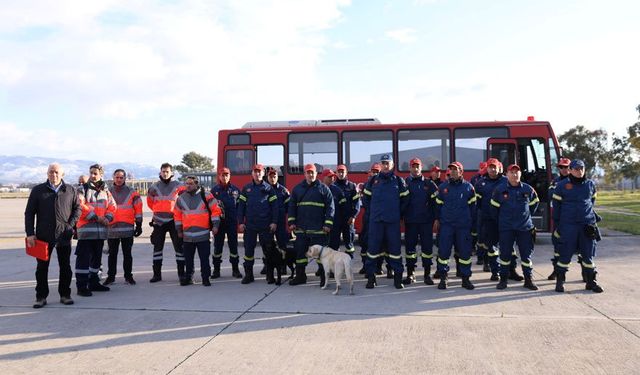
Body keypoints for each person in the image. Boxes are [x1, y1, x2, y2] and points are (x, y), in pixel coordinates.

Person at [25, 163, 81, 308]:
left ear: (62, 174)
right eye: (51, 172)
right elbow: (29, 213)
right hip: (43, 236)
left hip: (64, 235)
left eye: (56, 172)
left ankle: (65, 294)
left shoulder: (70, 190)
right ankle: (41, 297)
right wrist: (30, 233)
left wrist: (70, 226)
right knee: (42, 268)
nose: (53, 175)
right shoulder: (38, 190)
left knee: (65, 266)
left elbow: (77, 209)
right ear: (47, 173)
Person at [551, 159, 603, 293]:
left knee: (588, 255)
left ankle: (591, 282)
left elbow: (591, 202)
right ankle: (560, 282)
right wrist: (558, 226)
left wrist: (590, 220)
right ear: (570, 170)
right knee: (565, 255)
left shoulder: (590, 184)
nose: (579, 171)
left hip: (586, 225)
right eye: (576, 169)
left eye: (581, 169)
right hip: (569, 225)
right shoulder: (561, 185)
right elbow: (556, 207)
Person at [362, 154, 409, 289]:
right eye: (383, 163)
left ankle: (397, 278)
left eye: (388, 163)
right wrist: (373, 213)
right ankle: (371, 278)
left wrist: (397, 213)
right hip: (376, 222)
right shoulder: (373, 181)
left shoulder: (399, 181)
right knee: (373, 250)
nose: (385, 165)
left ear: (392, 165)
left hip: (392, 222)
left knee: (395, 250)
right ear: (380, 165)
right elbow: (366, 199)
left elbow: (405, 200)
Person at [490, 164, 540, 290]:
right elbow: (494, 210)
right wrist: (503, 221)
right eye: (511, 172)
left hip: (524, 228)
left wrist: (525, 217)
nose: (514, 174)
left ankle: (528, 280)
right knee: (505, 255)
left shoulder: (528, 189)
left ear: (520, 174)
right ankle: (503, 280)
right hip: (506, 228)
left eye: (517, 172)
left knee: (526, 256)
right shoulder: (499, 190)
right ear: (506, 174)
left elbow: (534, 205)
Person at [287, 163, 334, 286]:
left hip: (319, 230)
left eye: (312, 172)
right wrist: (291, 222)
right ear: (305, 174)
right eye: (308, 172)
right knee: (300, 254)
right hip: (302, 229)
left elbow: (330, 207)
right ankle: (300, 276)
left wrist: (328, 224)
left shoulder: (324, 188)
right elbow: (291, 206)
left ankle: (324, 279)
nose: (310, 174)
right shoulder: (297, 189)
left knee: (321, 255)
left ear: (316, 173)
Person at [433, 161, 476, 290]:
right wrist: (438, 220)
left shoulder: (469, 188)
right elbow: (438, 206)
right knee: (443, 253)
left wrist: (470, 224)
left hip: (463, 226)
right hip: (447, 226)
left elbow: (473, 208)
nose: (452, 171)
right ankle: (443, 278)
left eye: (455, 169)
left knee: (464, 254)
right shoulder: (443, 188)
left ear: (461, 172)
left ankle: (465, 278)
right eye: (450, 169)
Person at [75, 164, 117, 296]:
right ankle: (81, 286)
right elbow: (79, 206)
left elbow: (112, 206)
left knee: (96, 260)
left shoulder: (106, 191)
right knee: (83, 259)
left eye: (95, 173)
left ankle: (94, 282)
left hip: (100, 232)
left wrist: (108, 218)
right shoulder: (83, 189)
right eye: (91, 173)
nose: (93, 175)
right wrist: (97, 218)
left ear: (101, 175)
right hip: (86, 231)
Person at [174, 176, 222, 286]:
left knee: (204, 259)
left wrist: (215, 225)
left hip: (203, 235)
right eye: (186, 183)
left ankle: (205, 278)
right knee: (188, 260)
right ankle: (189, 277)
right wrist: (179, 230)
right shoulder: (181, 198)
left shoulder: (206, 196)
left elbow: (215, 211)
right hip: (187, 236)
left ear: (196, 184)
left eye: (190, 183)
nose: (188, 185)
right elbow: (177, 215)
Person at [237, 164, 278, 284]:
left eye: (259, 172)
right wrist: (240, 222)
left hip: (266, 226)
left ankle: (269, 275)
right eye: (255, 172)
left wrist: (274, 222)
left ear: (263, 173)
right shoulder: (246, 188)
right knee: (248, 251)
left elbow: (275, 207)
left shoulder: (269, 189)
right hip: (250, 226)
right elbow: (241, 207)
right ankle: (249, 275)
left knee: (268, 251)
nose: (257, 174)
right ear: (252, 174)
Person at [147, 163, 186, 283]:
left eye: (167, 171)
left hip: (174, 220)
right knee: (157, 249)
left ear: (171, 173)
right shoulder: (154, 187)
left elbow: (185, 199)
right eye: (163, 171)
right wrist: (158, 212)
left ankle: (181, 274)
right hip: (159, 221)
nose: (165, 173)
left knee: (179, 248)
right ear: (160, 172)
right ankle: (157, 275)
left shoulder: (179, 186)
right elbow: (150, 203)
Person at [403, 158, 438, 285]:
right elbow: (400, 202)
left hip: (426, 222)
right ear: (410, 168)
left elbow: (436, 203)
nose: (415, 169)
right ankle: (410, 274)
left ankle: (427, 275)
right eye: (413, 166)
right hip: (410, 222)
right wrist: (401, 217)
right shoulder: (405, 183)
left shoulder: (429, 184)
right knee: (410, 250)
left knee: (427, 250)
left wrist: (436, 219)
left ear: (421, 168)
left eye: (417, 166)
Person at [104, 169, 143, 286]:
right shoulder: (107, 192)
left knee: (127, 254)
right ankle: (111, 277)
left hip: (127, 229)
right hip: (112, 228)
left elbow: (138, 209)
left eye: (121, 177)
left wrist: (139, 224)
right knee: (112, 255)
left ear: (125, 178)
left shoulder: (132, 192)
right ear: (113, 178)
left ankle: (128, 276)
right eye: (117, 177)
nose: (119, 179)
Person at [474, 158, 507, 280]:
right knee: (491, 246)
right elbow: (477, 204)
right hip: (488, 219)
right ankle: (494, 271)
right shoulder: (480, 183)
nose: (493, 169)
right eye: (490, 167)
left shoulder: (506, 181)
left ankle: (511, 270)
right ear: (486, 169)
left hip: (504, 219)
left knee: (507, 246)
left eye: (495, 167)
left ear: (499, 168)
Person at [211, 167, 242, 279]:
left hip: (231, 223)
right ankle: (216, 270)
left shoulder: (236, 190)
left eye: (227, 175)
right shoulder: (214, 191)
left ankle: (235, 270)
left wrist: (240, 221)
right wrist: (212, 225)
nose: (224, 177)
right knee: (217, 247)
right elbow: (210, 209)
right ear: (219, 176)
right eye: (223, 175)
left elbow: (240, 207)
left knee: (233, 247)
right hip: (218, 224)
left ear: (230, 176)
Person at [547, 157, 571, 280]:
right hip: (558, 218)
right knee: (557, 245)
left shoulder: (576, 181)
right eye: (561, 167)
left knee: (579, 246)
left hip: (572, 219)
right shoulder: (554, 182)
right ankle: (556, 271)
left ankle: (587, 273)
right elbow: (551, 195)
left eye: (566, 167)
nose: (564, 169)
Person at [358, 163, 381, 274]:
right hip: (368, 217)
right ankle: (365, 265)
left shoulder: (384, 184)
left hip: (380, 218)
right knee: (365, 242)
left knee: (380, 243)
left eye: (377, 171)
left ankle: (379, 266)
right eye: (373, 171)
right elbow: (365, 202)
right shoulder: (367, 185)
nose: (375, 173)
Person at [335, 165, 361, 258]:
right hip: (336, 220)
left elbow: (357, 203)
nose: (341, 174)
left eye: (343, 172)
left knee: (349, 244)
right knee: (334, 244)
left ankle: (349, 264)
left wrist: (353, 216)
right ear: (336, 173)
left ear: (346, 173)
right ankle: (336, 267)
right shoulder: (333, 186)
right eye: (339, 172)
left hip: (348, 219)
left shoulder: (352, 186)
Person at [322, 169, 347, 251]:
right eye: (330, 177)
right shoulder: (318, 189)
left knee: (334, 247)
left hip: (335, 225)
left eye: (333, 177)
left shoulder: (338, 190)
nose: (332, 178)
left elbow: (344, 207)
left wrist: (341, 222)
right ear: (324, 177)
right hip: (321, 224)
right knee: (323, 248)